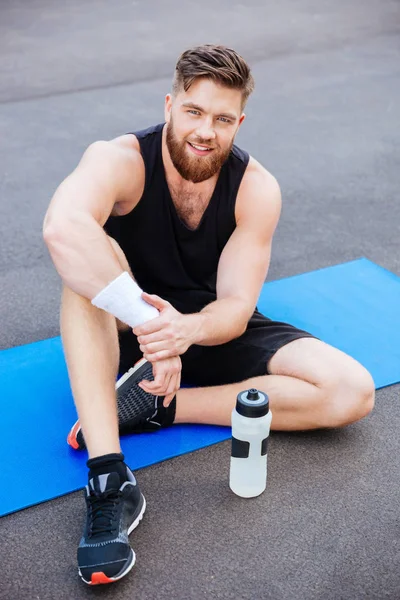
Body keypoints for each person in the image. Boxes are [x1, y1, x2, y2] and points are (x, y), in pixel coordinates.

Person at [43, 44, 375, 586]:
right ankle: (109, 477)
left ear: (239, 121)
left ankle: (157, 408)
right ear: (170, 104)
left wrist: (184, 333)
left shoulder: (256, 188)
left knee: (352, 391)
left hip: (206, 327)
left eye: (223, 119)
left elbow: (236, 310)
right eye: (195, 112)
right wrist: (155, 331)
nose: (206, 131)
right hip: (131, 325)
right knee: (81, 269)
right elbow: (61, 228)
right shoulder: (119, 160)